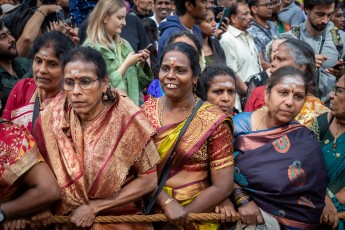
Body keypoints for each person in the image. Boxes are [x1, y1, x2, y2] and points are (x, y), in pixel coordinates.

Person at [33, 46, 160, 229]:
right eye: (69, 83)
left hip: (118, 222)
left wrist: (95, 208)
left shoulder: (127, 118)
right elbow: (36, 176)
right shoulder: (48, 119)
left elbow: (148, 181)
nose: (76, 91)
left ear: (104, 83)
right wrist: (41, 206)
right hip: (66, 222)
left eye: (85, 82)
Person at [142, 42, 234, 229]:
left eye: (180, 70)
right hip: (151, 213)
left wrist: (183, 217)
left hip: (197, 217)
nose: (170, 76)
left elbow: (223, 186)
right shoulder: (146, 111)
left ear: (195, 78)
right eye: (165, 68)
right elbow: (139, 172)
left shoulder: (213, 119)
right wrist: (168, 204)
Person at [225, 66, 328, 229]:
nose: (289, 102)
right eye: (283, 93)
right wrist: (241, 199)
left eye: (298, 96)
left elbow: (315, 190)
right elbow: (214, 171)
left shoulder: (305, 140)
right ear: (267, 94)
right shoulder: (238, 126)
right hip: (241, 217)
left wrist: (327, 202)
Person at [245, 38, 330, 128]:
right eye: (283, 93)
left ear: (301, 67)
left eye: (280, 59)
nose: (273, 64)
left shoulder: (320, 116)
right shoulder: (260, 93)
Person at [83, 0, 153, 105]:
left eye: (124, 17)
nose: (124, 23)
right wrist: (126, 64)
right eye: (120, 18)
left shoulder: (124, 44)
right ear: (105, 17)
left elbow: (138, 85)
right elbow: (94, 89)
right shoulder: (90, 49)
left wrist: (141, 63)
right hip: (107, 113)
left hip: (129, 111)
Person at [2, 31, 74, 133]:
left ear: (67, 68)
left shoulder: (72, 100)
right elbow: (5, 134)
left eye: (52, 64)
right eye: (38, 61)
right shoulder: (22, 88)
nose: (42, 70)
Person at [288, 0, 345, 105]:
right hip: (298, 106)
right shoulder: (291, 38)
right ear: (306, 9)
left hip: (331, 108)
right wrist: (305, 64)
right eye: (320, 14)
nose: (325, 20)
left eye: (329, 15)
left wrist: (342, 73)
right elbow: (277, 70)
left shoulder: (341, 39)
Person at [310, 75, 345, 229]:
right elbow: (301, 164)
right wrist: (323, 197)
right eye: (334, 89)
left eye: (339, 91)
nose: (331, 95)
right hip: (312, 207)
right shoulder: (322, 122)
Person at [219, 2, 262, 111]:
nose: (250, 17)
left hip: (255, 94)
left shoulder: (248, 35)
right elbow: (231, 75)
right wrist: (251, 93)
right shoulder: (227, 39)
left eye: (250, 14)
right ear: (233, 18)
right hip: (243, 98)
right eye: (245, 14)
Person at [248, 0, 279, 70]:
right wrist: (280, 70)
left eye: (270, 4)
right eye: (266, 5)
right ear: (254, 9)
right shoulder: (251, 31)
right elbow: (261, 62)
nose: (270, 7)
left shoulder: (273, 25)